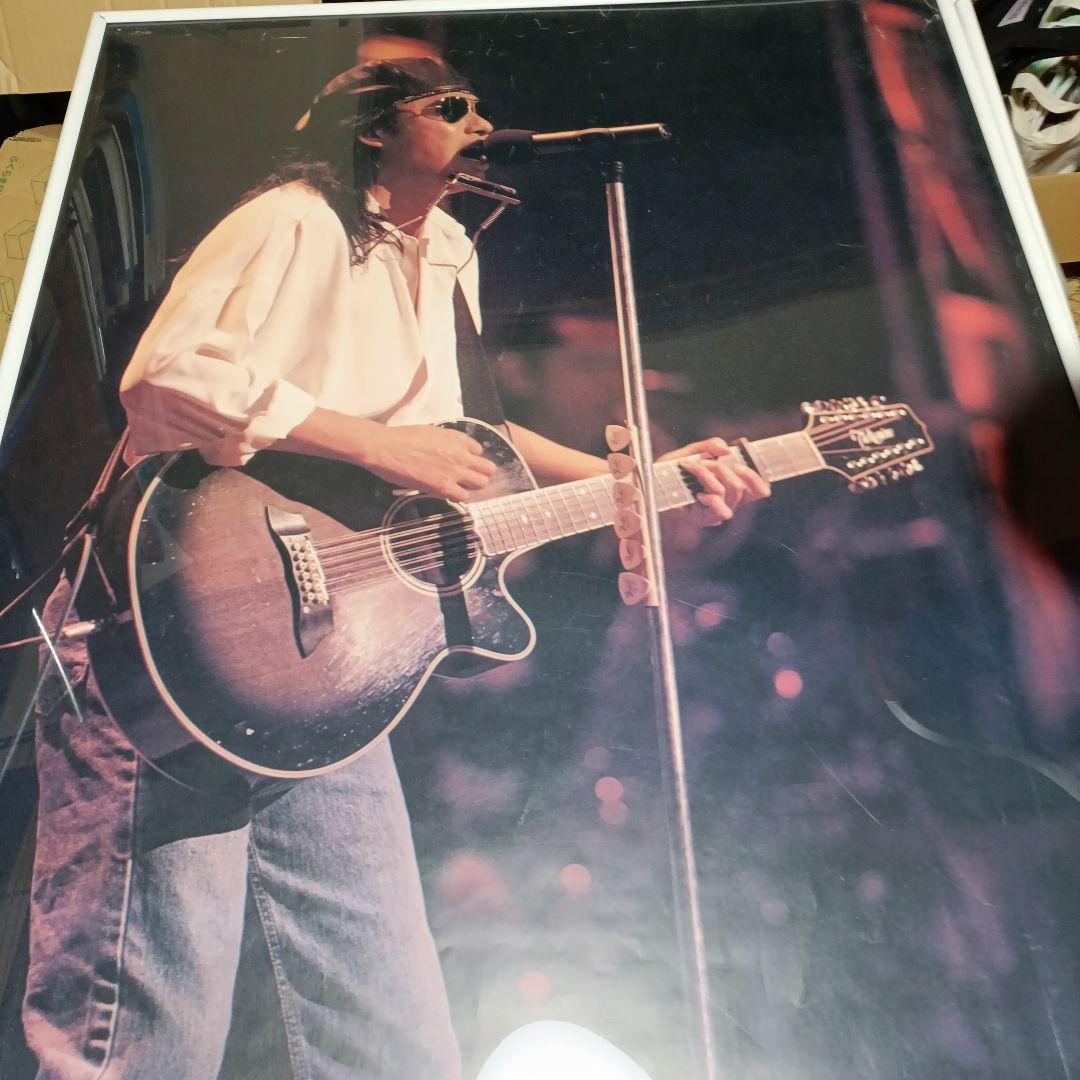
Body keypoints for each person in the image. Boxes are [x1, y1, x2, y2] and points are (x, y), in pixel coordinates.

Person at [22, 50, 769, 1080]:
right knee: (148, 1040)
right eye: (450, 107)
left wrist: (644, 478)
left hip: (328, 664)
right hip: (175, 630)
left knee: (392, 1040)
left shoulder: (449, 248)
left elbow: (466, 439)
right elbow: (174, 373)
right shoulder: (292, 218)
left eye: (481, 108)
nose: (478, 124)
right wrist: (377, 447)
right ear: (375, 128)